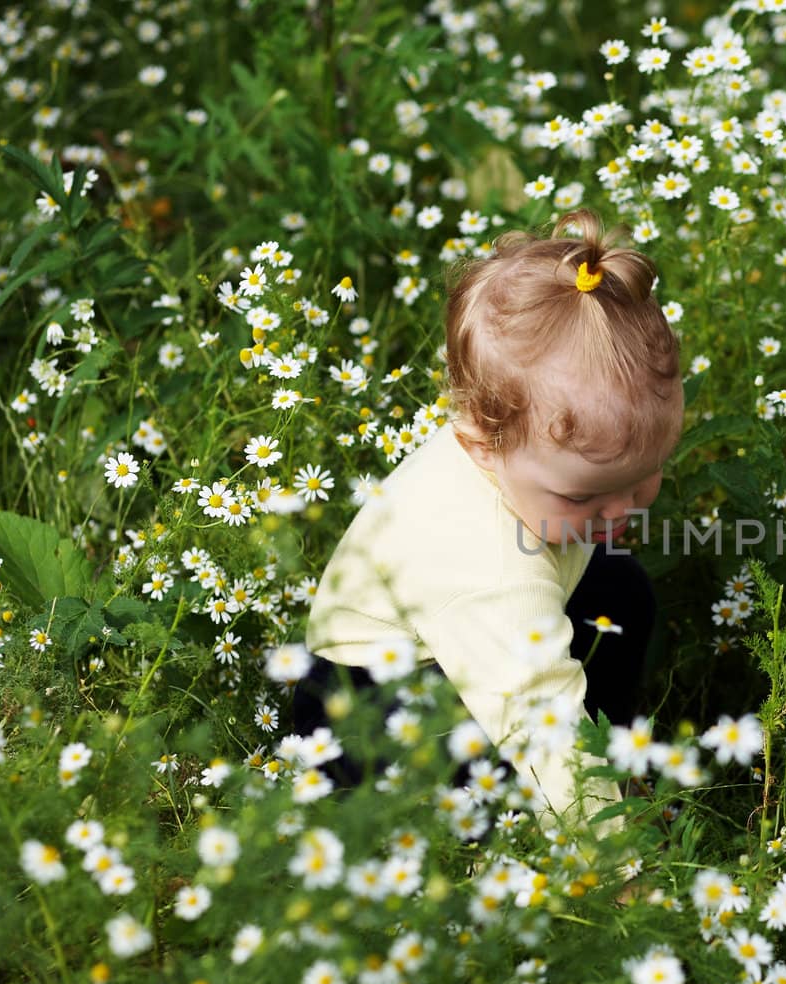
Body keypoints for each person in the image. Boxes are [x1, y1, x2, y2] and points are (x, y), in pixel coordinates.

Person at [292, 208, 683, 839]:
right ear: (480, 440)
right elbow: (539, 722)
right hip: (368, 710)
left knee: (622, 590)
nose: (622, 511)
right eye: (585, 497)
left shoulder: (525, 467)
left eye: (643, 479)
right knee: (488, 772)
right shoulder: (489, 567)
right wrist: (621, 868)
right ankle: (529, 828)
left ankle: (611, 750)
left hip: (459, 643)